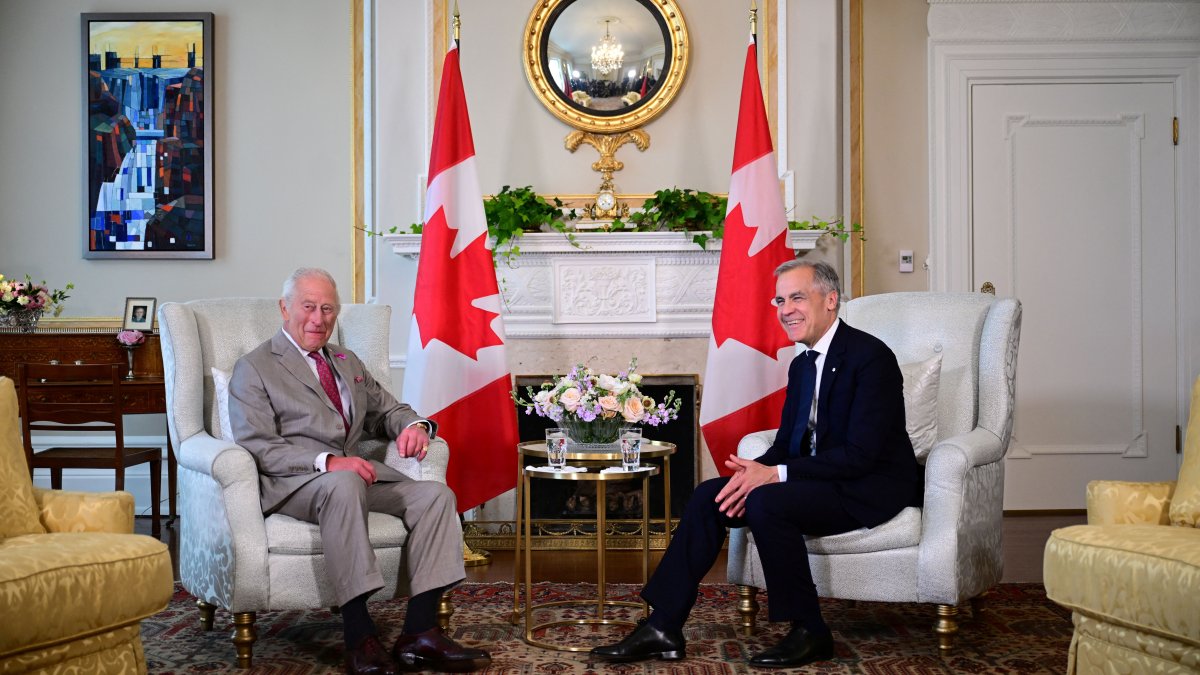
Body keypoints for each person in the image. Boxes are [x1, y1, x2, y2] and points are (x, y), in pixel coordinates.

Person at [591, 259, 923, 668]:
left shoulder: (871, 358)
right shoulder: (802, 364)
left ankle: (809, 630)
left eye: (797, 297)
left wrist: (774, 475)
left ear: (831, 300)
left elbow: (860, 456)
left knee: (768, 502)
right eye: (780, 300)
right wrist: (753, 471)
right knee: (712, 495)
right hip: (821, 482)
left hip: (870, 486)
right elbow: (787, 444)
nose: (786, 310)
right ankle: (663, 625)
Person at [228, 267, 490, 675]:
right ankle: (359, 636)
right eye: (309, 307)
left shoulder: (347, 361)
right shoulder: (255, 367)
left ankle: (419, 633)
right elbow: (257, 445)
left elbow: (390, 410)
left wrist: (416, 427)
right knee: (345, 482)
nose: (319, 319)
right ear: (284, 308)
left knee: (436, 496)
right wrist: (329, 463)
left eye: (328, 309)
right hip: (296, 484)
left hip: (355, 479)